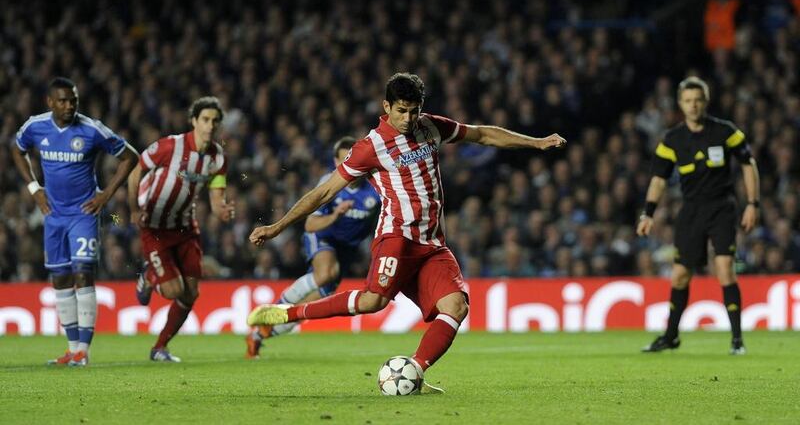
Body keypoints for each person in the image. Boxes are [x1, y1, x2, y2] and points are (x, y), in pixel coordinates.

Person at [247, 72, 566, 390]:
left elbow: (481, 134)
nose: (408, 118)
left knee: (456, 307)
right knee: (374, 302)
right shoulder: (370, 147)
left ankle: (413, 371)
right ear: (386, 106)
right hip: (397, 238)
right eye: (401, 111)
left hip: (432, 243)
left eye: (414, 111)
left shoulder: (431, 127)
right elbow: (324, 192)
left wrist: (535, 142)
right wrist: (277, 227)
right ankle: (288, 313)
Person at [11, 77, 139, 366]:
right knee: (60, 279)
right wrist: (34, 189)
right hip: (53, 215)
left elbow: (130, 157)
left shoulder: (91, 129)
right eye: (63, 101)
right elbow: (15, 150)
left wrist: (106, 195)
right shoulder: (35, 126)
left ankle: (84, 350)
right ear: (50, 102)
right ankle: (72, 349)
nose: (69, 106)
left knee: (83, 273)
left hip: (84, 213)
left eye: (73, 101)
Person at [637, 76, 759, 355]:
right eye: (688, 101)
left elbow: (748, 164)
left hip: (721, 208)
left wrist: (753, 203)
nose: (693, 106)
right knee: (680, 275)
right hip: (691, 211)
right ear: (680, 104)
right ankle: (670, 336)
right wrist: (648, 213)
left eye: (698, 100)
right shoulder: (672, 139)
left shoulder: (725, 132)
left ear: (706, 102)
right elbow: (658, 178)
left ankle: (737, 340)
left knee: (725, 268)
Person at [246, 136, 380, 358]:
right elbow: (310, 224)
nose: (350, 164)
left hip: (347, 250)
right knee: (327, 272)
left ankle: (257, 336)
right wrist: (336, 215)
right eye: (344, 160)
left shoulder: (374, 187)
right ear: (337, 162)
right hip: (322, 236)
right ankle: (276, 308)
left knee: (308, 308)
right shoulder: (331, 183)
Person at [128, 96, 235, 362]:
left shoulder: (218, 159)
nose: (210, 126)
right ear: (194, 121)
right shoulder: (169, 146)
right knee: (174, 291)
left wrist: (221, 209)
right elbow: (134, 171)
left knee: (191, 293)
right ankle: (148, 276)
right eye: (205, 120)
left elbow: (215, 197)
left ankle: (160, 347)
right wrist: (132, 209)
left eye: (215, 121)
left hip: (185, 227)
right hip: (154, 226)